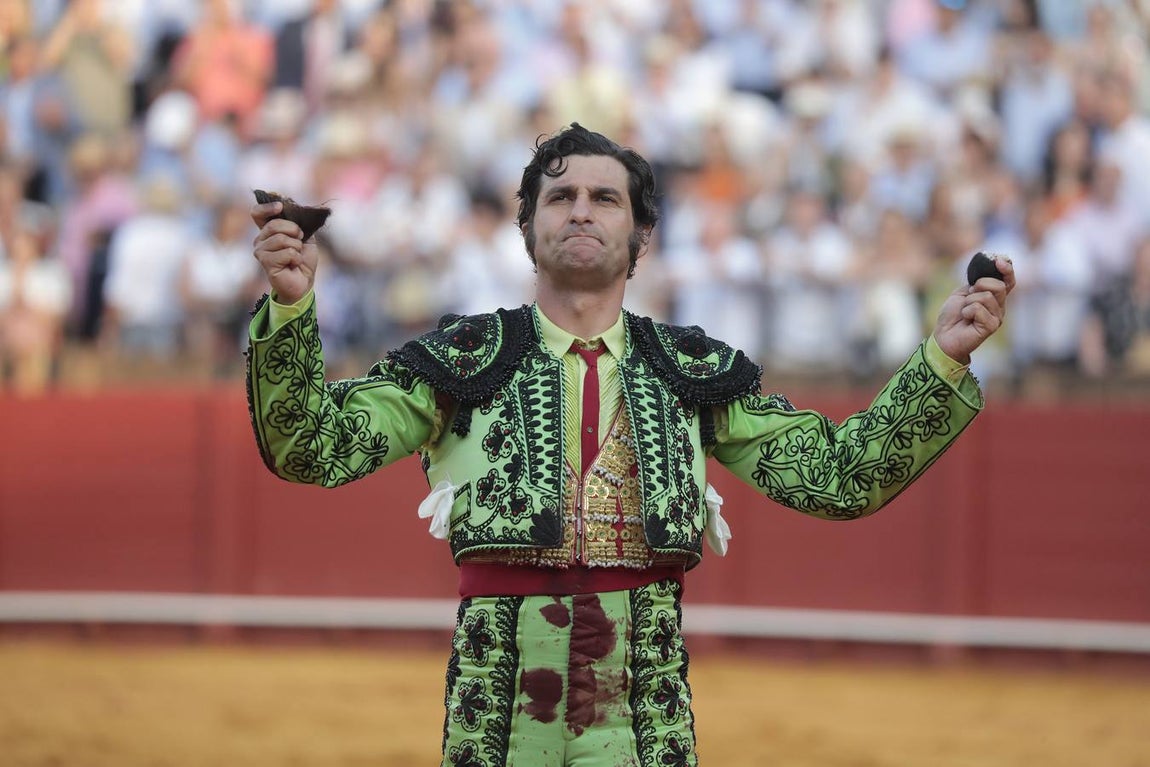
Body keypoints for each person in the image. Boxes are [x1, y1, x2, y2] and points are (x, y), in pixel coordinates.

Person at [245, 124, 1012, 767]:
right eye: (560, 197)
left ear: (640, 233)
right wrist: (291, 308)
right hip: (497, 703)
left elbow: (840, 478)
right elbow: (311, 445)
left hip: (645, 705)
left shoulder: (694, 372)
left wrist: (943, 357)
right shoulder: (460, 360)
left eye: (604, 197)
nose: (581, 211)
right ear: (527, 228)